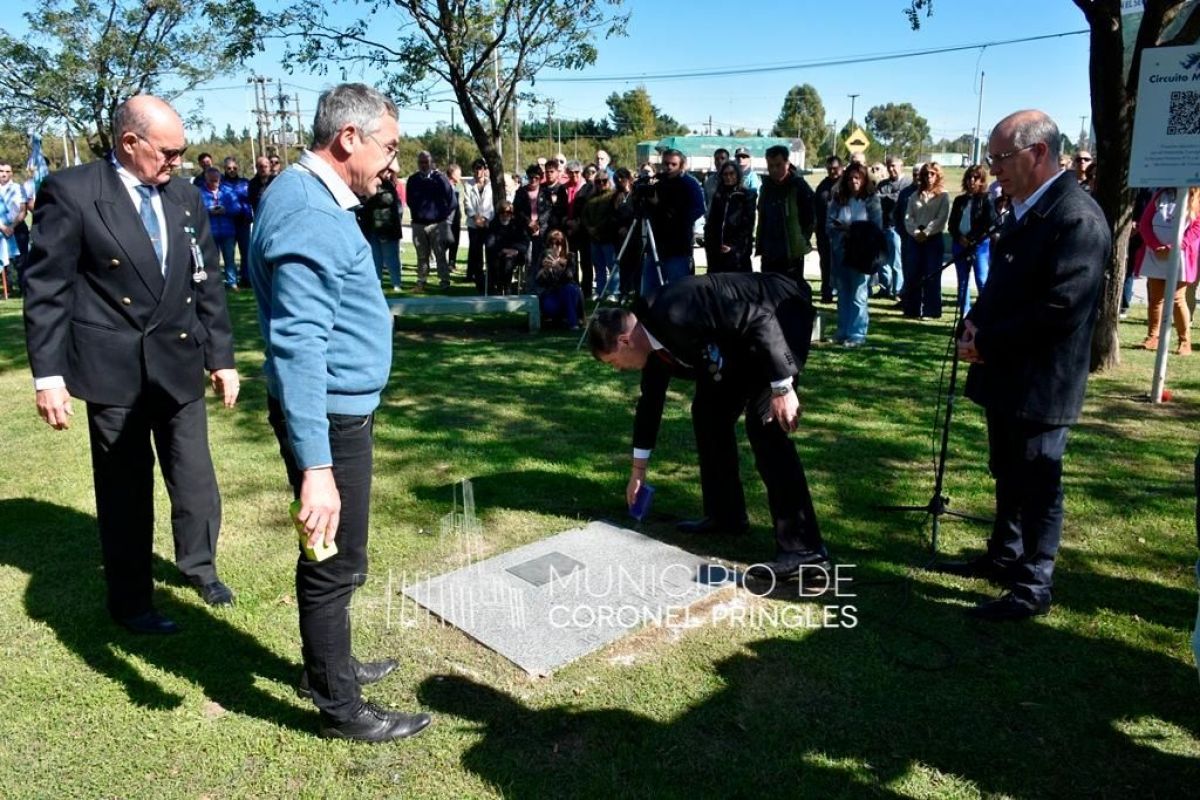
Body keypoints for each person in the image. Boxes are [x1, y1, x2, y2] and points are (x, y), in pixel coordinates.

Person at [248, 83, 432, 741]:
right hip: (327, 419)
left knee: (341, 556)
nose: (394, 163)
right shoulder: (308, 213)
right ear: (348, 138)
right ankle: (340, 707)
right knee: (332, 562)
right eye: (389, 147)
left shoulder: (308, 196)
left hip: (336, 411)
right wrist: (316, 468)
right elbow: (298, 344)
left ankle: (329, 666)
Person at [23, 94, 239, 633]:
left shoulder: (184, 196)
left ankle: (199, 566)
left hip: (179, 359)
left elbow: (205, 280)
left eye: (183, 153)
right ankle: (131, 600)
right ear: (129, 143)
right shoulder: (72, 193)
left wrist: (222, 358)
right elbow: (46, 288)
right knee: (124, 490)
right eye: (169, 152)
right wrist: (48, 376)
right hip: (113, 366)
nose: (178, 162)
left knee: (194, 478)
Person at [942, 109, 1110, 621]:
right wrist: (973, 325)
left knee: (1039, 478)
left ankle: (1034, 582)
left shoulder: (1075, 217)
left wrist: (989, 341)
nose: (994, 170)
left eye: (1000, 158)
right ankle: (1005, 554)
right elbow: (1002, 286)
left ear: (1038, 153)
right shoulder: (1022, 209)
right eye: (990, 159)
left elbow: (1062, 308)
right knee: (1008, 471)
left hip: (1043, 380)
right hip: (1006, 373)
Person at [587, 273, 828, 580]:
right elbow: (650, 404)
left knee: (766, 426)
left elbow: (759, 318)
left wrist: (782, 387)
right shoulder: (650, 341)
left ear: (623, 341)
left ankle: (805, 552)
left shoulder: (674, 311)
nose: (618, 369)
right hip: (740, 342)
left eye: (613, 362)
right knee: (709, 414)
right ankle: (726, 515)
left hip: (778, 313)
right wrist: (637, 473)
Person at [1134, 186, 1200, 355]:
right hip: (1155, 254)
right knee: (1156, 298)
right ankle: (1152, 337)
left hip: (1181, 256)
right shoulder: (1160, 195)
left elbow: (1196, 228)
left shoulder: (1196, 197)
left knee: (1178, 298)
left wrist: (1176, 247)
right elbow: (1145, 224)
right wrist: (1155, 246)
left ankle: (1184, 341)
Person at [826, 161, 883, 347]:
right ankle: (842, 331)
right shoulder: (838, 198)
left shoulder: (872, 199)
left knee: (859, 294)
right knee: (843, 293)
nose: (854, 182)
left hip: (862, 254)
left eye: (857, 178)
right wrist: (838, 229)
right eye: (850, 178)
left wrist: (852, 228)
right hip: (841, 251)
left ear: (864, 179)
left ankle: (857, 334)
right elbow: (828, 223)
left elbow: (876, 228)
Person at [641, 149, 704, 295]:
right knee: (649, 292)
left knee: (679, 293)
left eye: (673, 164)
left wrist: (661, 206)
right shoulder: (657, 181)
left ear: (681, 165)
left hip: (677, 247)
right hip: (655, 244)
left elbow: (698, 210)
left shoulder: (689, 184)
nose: (668, 167)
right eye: (666, 163)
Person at [756, 144, 816, 282]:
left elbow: (810, 217)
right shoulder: (766, 187)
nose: (774, 169)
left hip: (791, 253)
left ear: (787, 164)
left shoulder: (798, 185)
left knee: (790, 292)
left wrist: (801, 239)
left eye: (778, 165)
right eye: (770, 166)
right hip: (769, 251)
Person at [948, 164, 998, 316]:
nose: (972, 181)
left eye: (976, 178)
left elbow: (991, 223)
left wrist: (972, 238)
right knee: (962, 282)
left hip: (979, 246)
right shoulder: (959, 200)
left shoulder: (987, 198)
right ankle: (965, 314)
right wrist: (959, 237)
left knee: (982, 280)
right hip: (959, 244)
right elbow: (951, 225)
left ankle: (985, 314)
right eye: (969, 177)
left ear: (982, 180)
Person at [902, 162, 950, 319]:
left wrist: (927, 232)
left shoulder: (943, 195)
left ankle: (931, 310)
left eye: (932, 174)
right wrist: (916, 232)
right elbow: (908, 217)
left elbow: (941, 218)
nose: (929, 177)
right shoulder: (914, 195)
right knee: (913, 274)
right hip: (915, 239)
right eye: (926, 174)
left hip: (933, 239)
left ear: (937, 175)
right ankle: (911, 309)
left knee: (932, 275)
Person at [406, 151, 454, 291]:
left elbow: (452, 201)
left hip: (437, 224)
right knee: (421, 256)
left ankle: (444, 282)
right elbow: (409, 201)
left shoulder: (441, 179)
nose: (423, 165)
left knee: (440, 255)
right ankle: (421, 281)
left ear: (431, 163)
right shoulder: (413, 179)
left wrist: (444, 217)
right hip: (418, 224)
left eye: (426, 162)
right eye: (421, 162)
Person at [358, 167, 405, 292]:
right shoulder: (371, 184)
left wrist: (370, 197)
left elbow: (387, 200)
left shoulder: (387, 186)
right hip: (373, 228)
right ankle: (376, 284)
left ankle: (396, 284)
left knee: (391, 259)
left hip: (387, 229)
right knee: (375, 259)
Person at [704, 159, 755, 273]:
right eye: (725, 174)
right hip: (717, 253)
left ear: (737, 174)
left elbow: (747, 227)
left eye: (732, 173)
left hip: (737, 254)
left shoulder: (746, 196)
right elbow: (712, 223)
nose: (728, 177)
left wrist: (734, 247)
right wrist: (711, 245)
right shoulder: (718, 195)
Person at [199, 167, 243, 289]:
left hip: (227, 231)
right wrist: (209, 211)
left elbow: (237, 208)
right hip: (210, 232)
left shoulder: (228, 191)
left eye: (216, 180)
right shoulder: (200, 193)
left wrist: (225, 210)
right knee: (212, 261)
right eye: (211, 180)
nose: (214, 183)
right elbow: (197, 210)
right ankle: (214, 284)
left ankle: (232, 282)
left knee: (230, 259)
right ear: (206, 179)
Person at [875, 157, 910, 301]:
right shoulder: (883, 184)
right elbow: (875, 199)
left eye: (894, 166)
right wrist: (887, 197)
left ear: (901, 166)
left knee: (896, 261)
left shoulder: (907, 183)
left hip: (897, 227)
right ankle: (885, 288)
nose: (891, 169)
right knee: (882, 261)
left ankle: (898, 290)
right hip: (882, 225)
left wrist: (885, 197)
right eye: (889, 166)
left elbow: (897, 199)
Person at [536, 229, 583, 329]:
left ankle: (573, 323)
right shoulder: (544, 257)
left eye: (558, 244)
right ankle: (560, 320)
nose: (554, 247)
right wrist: (545, 269)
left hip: (570, 294)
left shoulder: (570, 257)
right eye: (551, 244)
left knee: (568, 289)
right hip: (552, 294)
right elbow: (539, 281)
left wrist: (556, 265)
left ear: (563, 245)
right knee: (549, 307)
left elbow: (569, 276)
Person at [581, 171, 618, 298]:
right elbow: (584, 215)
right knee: (598, 266)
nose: (601, 183)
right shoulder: (591, 197)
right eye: (598, 181)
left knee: (611, 265)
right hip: (593, 238)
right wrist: (589, 228)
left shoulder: (613, 195)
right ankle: (600, 291)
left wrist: (597, 228)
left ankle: (613, 292)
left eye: (604, 181)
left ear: (609, 181)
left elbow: (611, 216)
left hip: (607, 236)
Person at [812, 156, 843, 304]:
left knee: (841, 264)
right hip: (823, 232)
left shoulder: (846, 184)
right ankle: (826, 293)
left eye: (835, 168)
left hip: (841, 232)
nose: (832, 171)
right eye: (829, 169)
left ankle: (842, 293)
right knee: (825, 263)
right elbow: (815, 207)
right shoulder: (822, 186)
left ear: (841, 168)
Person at [464, 158, 495, 292]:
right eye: (476, 169)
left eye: (480, 168)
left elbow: (492, 205)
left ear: (484, 169)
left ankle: (490, 281)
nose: (478, 171)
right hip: (473, 224)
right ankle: (478, 281)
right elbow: (467, 203)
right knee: (476, 254)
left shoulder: (491, 185)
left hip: (488, 223)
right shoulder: (468, 185)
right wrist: (475, 218)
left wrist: (485, 219)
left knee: (489, 252)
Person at [485, 199, 528, 294]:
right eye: (502, 212)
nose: (505, 214)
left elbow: (525, 244)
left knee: (509, 260)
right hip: (497, 256)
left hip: (515, 256)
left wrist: (515, 250)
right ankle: (501, 287)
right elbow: (490, 244)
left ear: (512, 213)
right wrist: (504, 250)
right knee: (501, 261)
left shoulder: (518, 226)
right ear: (498, 213)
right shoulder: (493, 225)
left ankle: (506, 287)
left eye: (508, 212)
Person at [221, 156, 252, 286]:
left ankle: (247, 278)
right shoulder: (221, 184)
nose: (232, 170)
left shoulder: (245, 183)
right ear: (225, 169)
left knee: (246, 253)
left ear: (238, 168)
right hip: (228, 223)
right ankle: (232, 281)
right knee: (229, 254)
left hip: (244, 223)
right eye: (229, 168)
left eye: (234, 168)